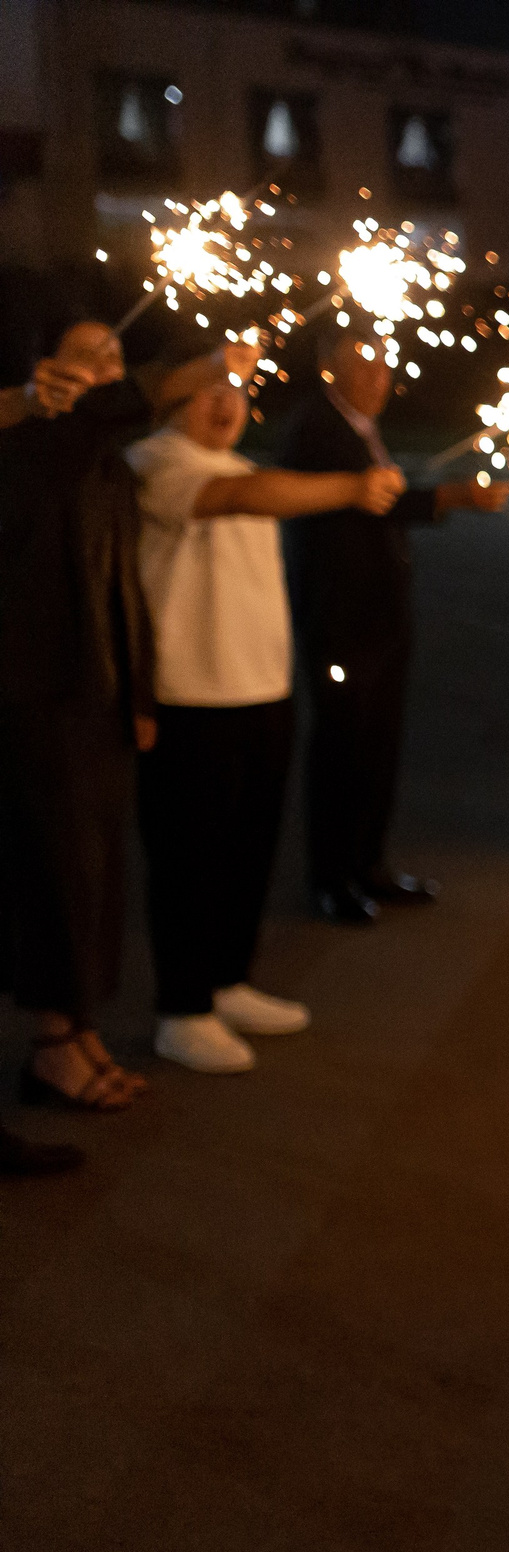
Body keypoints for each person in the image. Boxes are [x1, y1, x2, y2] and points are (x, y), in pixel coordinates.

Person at [126, 349, 405, 1072]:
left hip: (260, 691)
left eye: (236, 393)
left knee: (248, 850)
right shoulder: (155, 461)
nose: (224, 406)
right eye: (207, 393)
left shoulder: (243, 466)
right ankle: (182, 1010)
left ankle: (227, 980)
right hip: (191, 696)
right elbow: (244, 501)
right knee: (191, 858)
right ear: (173, 398)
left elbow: (257, 490)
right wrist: (350, 486)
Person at [0, 321, 235, 1112]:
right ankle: (53, 1045)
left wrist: (138, 695)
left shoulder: (108, 465)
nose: (106, 364)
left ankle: (83, 1030)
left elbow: (122, 591)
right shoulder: (37, 443)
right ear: (47, 371)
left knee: (98, 876)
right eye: (86, 353)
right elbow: (121, 403)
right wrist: (214, 361)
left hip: (98, 698)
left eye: (113, 351)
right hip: (41, 696)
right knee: (56, 874)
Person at [278, 328, 509, 923]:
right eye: (361, 367)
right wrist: (449, 499)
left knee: (379, 746)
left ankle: (369, 865)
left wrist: (439, 498)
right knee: (342, 749)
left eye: (382, 368)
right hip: (339, 617)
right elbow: (366, 503)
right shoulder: (315, 429)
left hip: (381, 617)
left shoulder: (360, 428)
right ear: (329, 369)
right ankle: (332, 879)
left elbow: (382, 497)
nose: (377, 380)